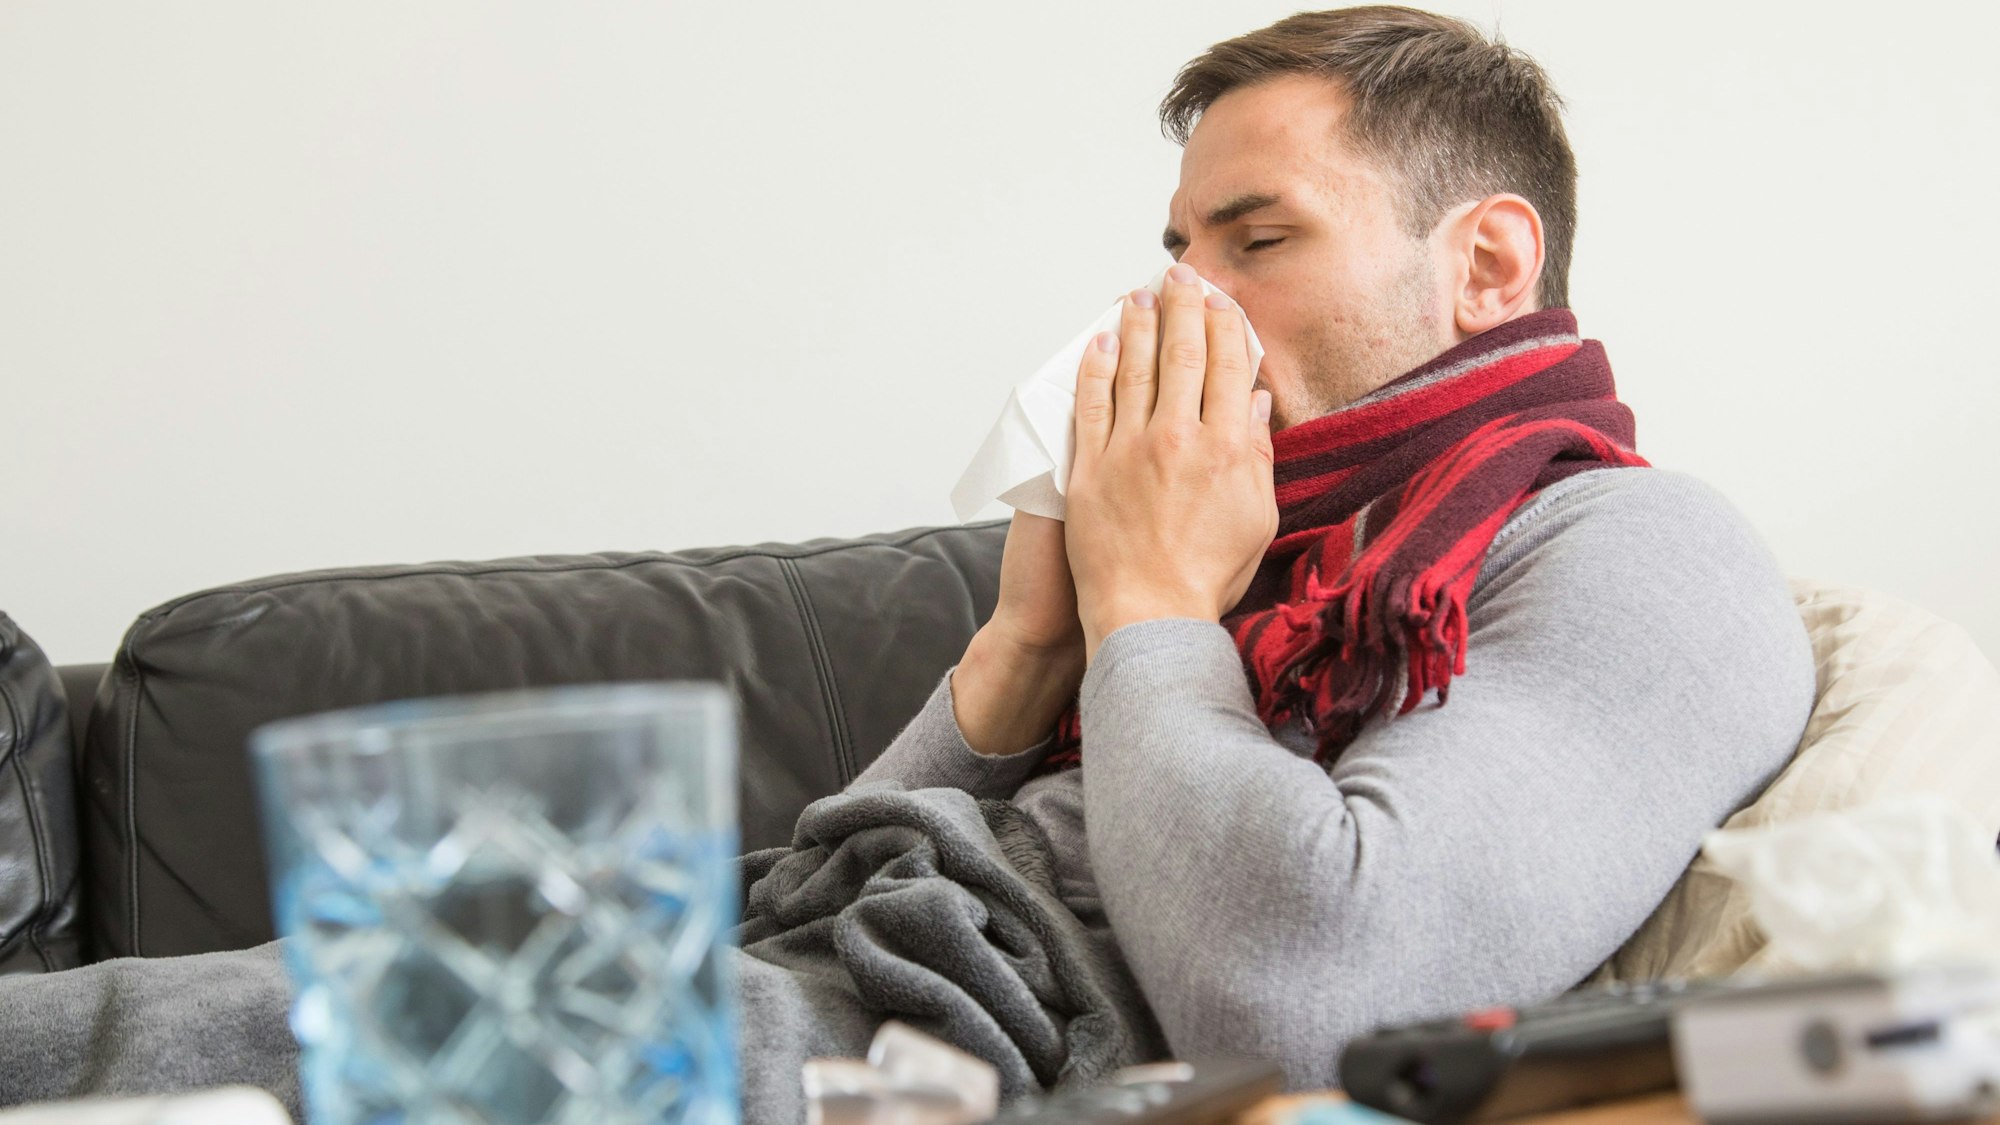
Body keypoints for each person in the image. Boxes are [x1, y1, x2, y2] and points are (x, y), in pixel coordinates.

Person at [0, 6, 1814, 1122]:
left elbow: (1314, 996)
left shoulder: (1645, 549)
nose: (1180, 306)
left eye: (1256, 240)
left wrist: (1154, 609)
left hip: (918, 1054)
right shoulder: (1251, 555)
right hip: (799, 980)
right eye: (1177, 250)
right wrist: (1025, 650)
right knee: (120, 1026)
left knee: (168, 1043)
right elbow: (817, 881)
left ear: (1488, 265)